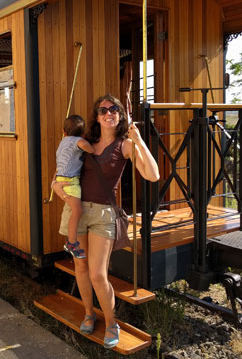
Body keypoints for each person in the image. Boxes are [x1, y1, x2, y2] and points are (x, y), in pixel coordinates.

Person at [52, 94, 159, 349]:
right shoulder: (85, 142)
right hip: (78, 211)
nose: (108, 113)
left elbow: (153, 175)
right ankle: (89, 313)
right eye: (103, 110)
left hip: (103, 216)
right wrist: (57, 187)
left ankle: (111, 322)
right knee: (81, 267)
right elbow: (59, 174)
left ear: (120, 115)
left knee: (98, 274)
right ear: (97, 117)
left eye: (114, 109)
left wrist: (140, 141)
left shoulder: (125, 145)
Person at [53, 114, 95, 259]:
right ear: (82, 133)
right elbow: (85, 146)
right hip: (70, 182)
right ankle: (71, 243)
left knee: (75, 211)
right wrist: (91, 149)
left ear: (63, 131)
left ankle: (72, 242)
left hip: (62, 179)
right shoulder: (77, 141)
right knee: (77, 211)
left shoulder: (63, 141)